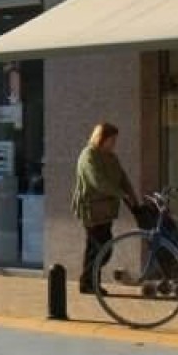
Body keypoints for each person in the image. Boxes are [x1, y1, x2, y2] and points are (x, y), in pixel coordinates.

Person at [71, 122, 139, 294]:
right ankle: (88, 282)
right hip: (91, 209)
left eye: (115, 140)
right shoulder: (89, 155)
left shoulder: (111, 157)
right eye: (112, 139)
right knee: (99, 248)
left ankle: (89, 282)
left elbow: (123, 178)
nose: (114, 143)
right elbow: (97, 181)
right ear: (101, 138)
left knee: (100, 247)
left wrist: (132, 197)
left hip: (107, 210)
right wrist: (120, 194)